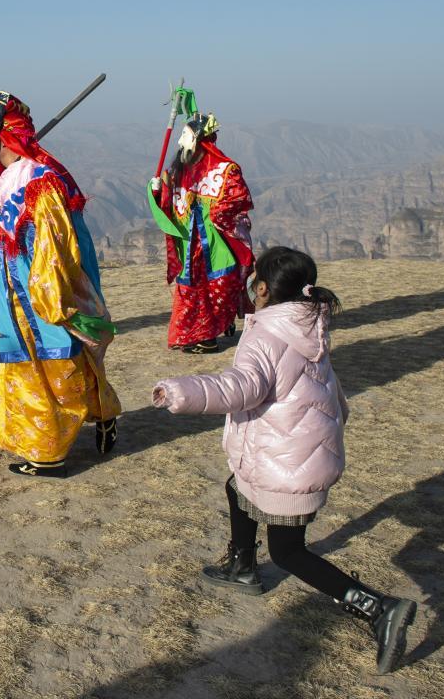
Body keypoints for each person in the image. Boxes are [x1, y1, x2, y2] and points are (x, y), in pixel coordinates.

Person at [151, 246, 417, 674]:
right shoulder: (309, 324)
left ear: (261, 289)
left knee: (290, 552)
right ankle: (241, 565)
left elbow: (243, 387)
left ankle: (378, 608)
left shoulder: (268, 334)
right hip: (298, 448)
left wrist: (182, 392)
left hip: (287, 459)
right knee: (236, 487)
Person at [0, 92, 121, 477]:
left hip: (41, 294)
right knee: (58, 363)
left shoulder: (41, 183)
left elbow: (56, 245)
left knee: (54, 364)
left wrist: (48, 295)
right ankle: (102, 413)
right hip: (18, 294)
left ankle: (48, 455)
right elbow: (1, 235)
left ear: (1, 143)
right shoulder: (15, 181)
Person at [148, 113, 254, 353]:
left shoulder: (226, 170)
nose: (180, 142)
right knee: (190, 289)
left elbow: (238, 199)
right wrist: (157, 190)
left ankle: (211, 332)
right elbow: (169, 203)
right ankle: (197, 335)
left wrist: (217, 213)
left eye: (184, 136)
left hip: (216, 244)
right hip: (189, 245)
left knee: (220, 285)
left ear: (198, 139)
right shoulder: (178, 172)